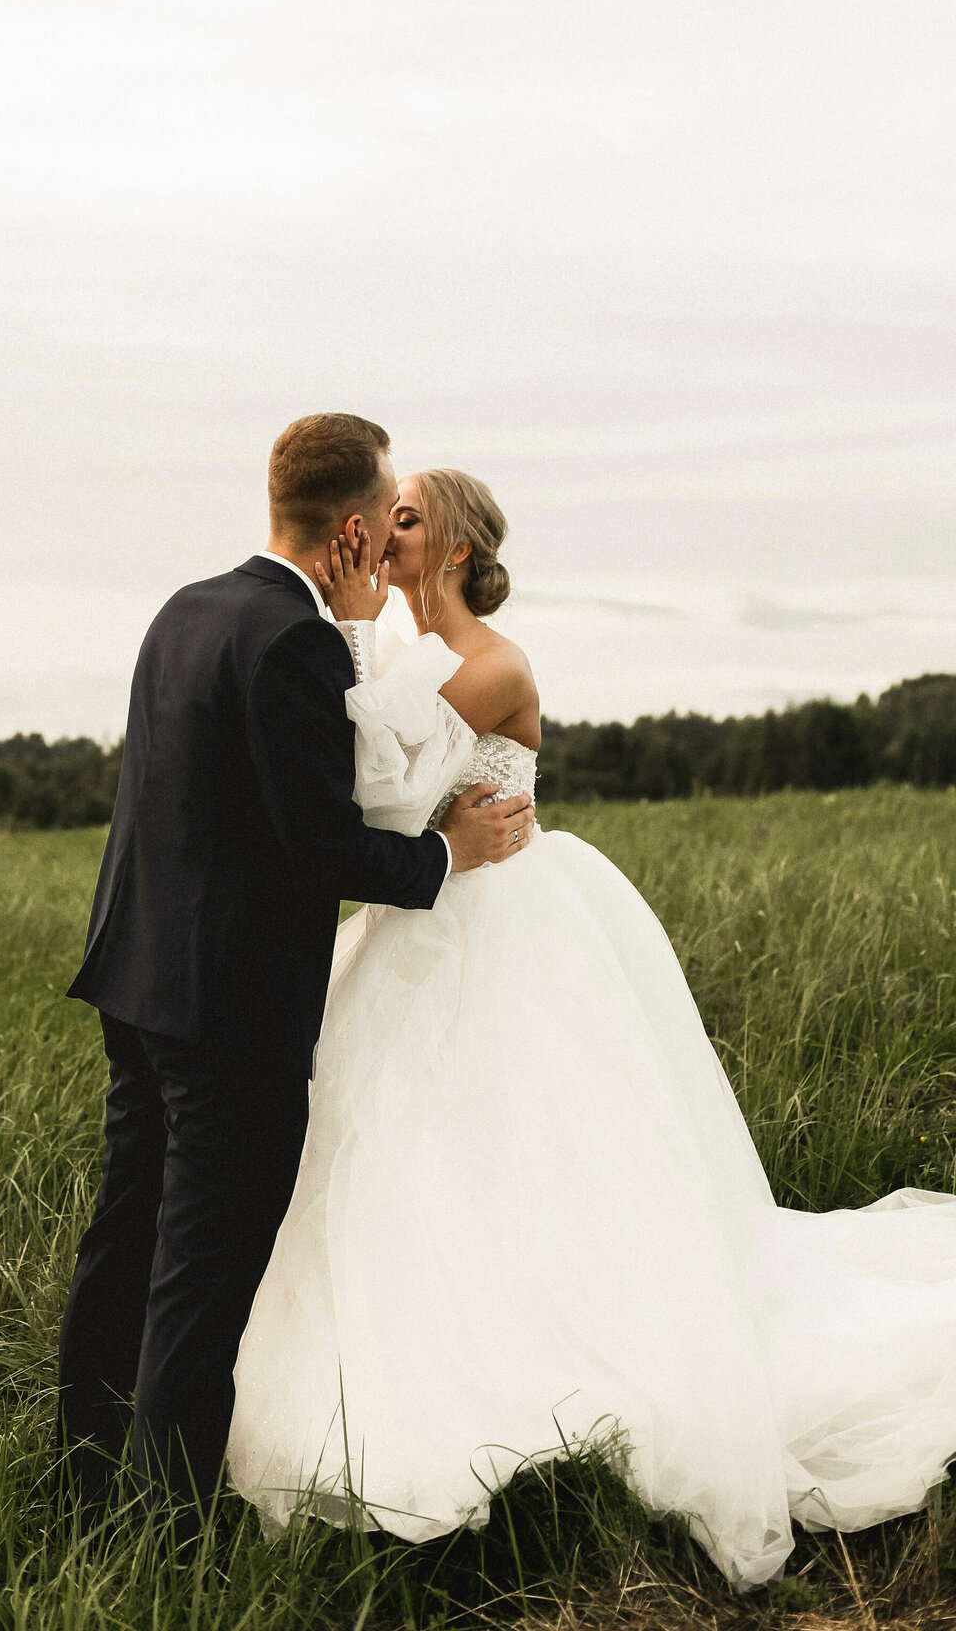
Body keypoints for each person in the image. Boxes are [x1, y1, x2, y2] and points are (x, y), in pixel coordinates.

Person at [228, 466, 956, 1592]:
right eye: (387, 519)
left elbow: (377, 787)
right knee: (393, 1155)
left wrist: (361, 628)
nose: (388, 533)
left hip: (499, 931)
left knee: (532, 1152)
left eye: (410, 519)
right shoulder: (413, 658)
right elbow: (372, 786)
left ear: (459, 547)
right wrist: (367, 641)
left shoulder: (493, 664)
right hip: (411, 928)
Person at [55, 417, 535, 1529]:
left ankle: (83, 1471)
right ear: (357, 530)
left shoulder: (189, 607)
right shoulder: (297, 642)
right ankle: (164, 1526)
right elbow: (321, 844)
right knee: (202, 1270)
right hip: (228, 1008)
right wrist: (447, 855)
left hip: (135, 975)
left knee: (127, 1233)